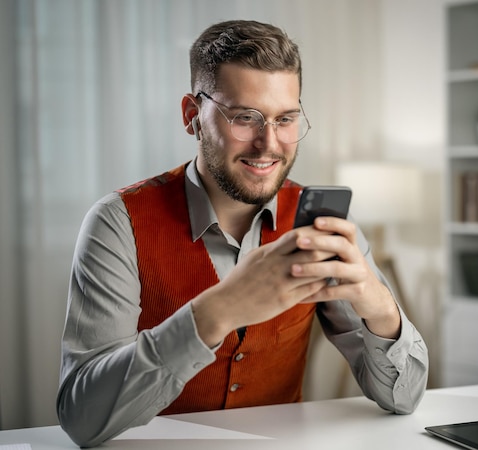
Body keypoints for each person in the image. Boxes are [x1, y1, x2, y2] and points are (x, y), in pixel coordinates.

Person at [56, 19, 429, 448]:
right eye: (245, 118)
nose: (268, 144)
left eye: (285, 118)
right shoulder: (116, 223)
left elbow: (403, 400)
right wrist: (218, 312)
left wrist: (379, 306)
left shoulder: (324, 227)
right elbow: (81, 419)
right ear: (192, 116)